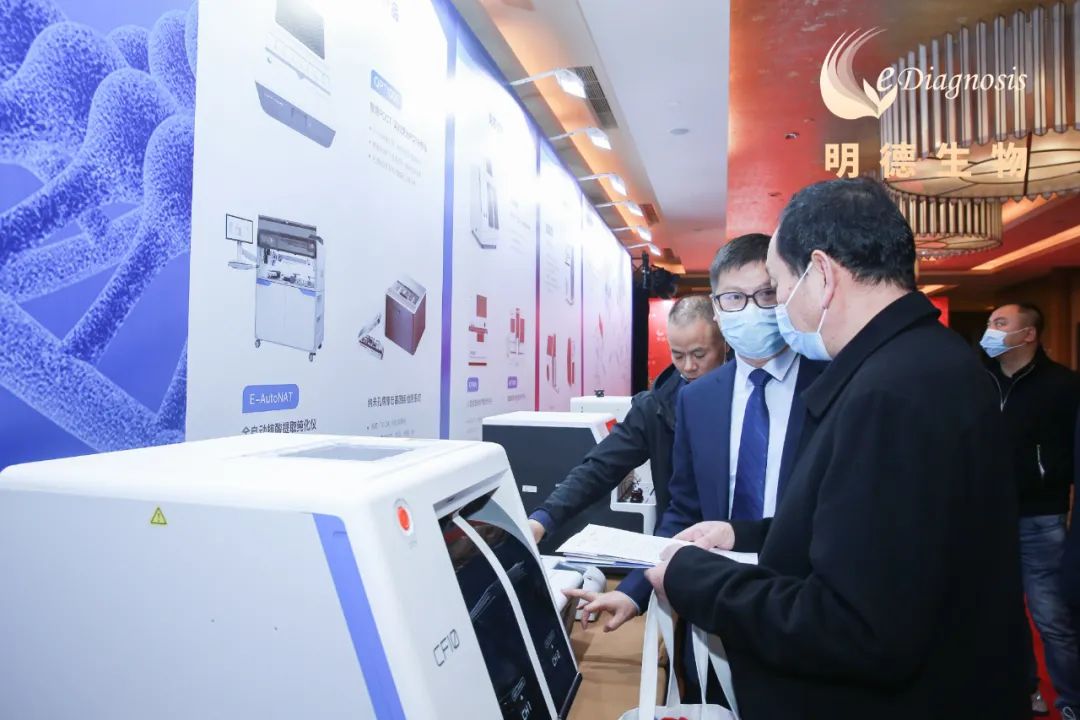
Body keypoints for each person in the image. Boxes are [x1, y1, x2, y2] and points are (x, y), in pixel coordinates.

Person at [646, 177, 1028, 719]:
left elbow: (854, 625)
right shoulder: (924, 361)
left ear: (821, 275)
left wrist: (695, 580)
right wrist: (741, 535)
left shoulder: (892, 393)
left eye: (778, 286)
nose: (777, 306)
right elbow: (866, 536)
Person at [566, 234, 825, 698]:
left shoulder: (832, 386)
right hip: (713, 620)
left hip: (807, 620)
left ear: (787, 294)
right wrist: (633, 591)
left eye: (766, 294)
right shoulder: (699, 399)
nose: (751, 309)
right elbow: (683, 513)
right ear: (719, 310)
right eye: (734, 298)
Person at [528, 295, 726, 545]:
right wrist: (543, 518)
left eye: (699, 354)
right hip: (679, 541)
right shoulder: (654, 407)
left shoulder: (748, 399)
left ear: (724, 344)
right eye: (678, 355)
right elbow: (601, 467)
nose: (688, 367)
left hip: (736, 541)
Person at [982, 303, 1080, 717]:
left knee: (1052, 618)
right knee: (1000, 616)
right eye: (990, 322)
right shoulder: (978, 380)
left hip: (1040, 516)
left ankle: (1072, 700)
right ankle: (1024, 691)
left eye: (1001, 323)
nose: (990, 330)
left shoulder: (1063, 385)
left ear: (1029, 334)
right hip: (988, 518)